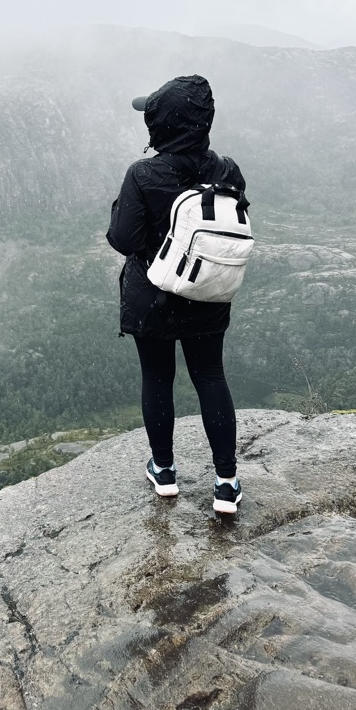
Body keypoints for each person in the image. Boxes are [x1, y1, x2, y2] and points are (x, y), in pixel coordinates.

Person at [106, 74, 245, 514]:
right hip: (207, 290)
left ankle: (164, 472)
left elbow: (124, 240)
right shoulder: (227, 170)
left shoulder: (144, 173)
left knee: (158, 378)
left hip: (155, 295)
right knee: (210, 377)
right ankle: (226, 483)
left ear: (161, 125)